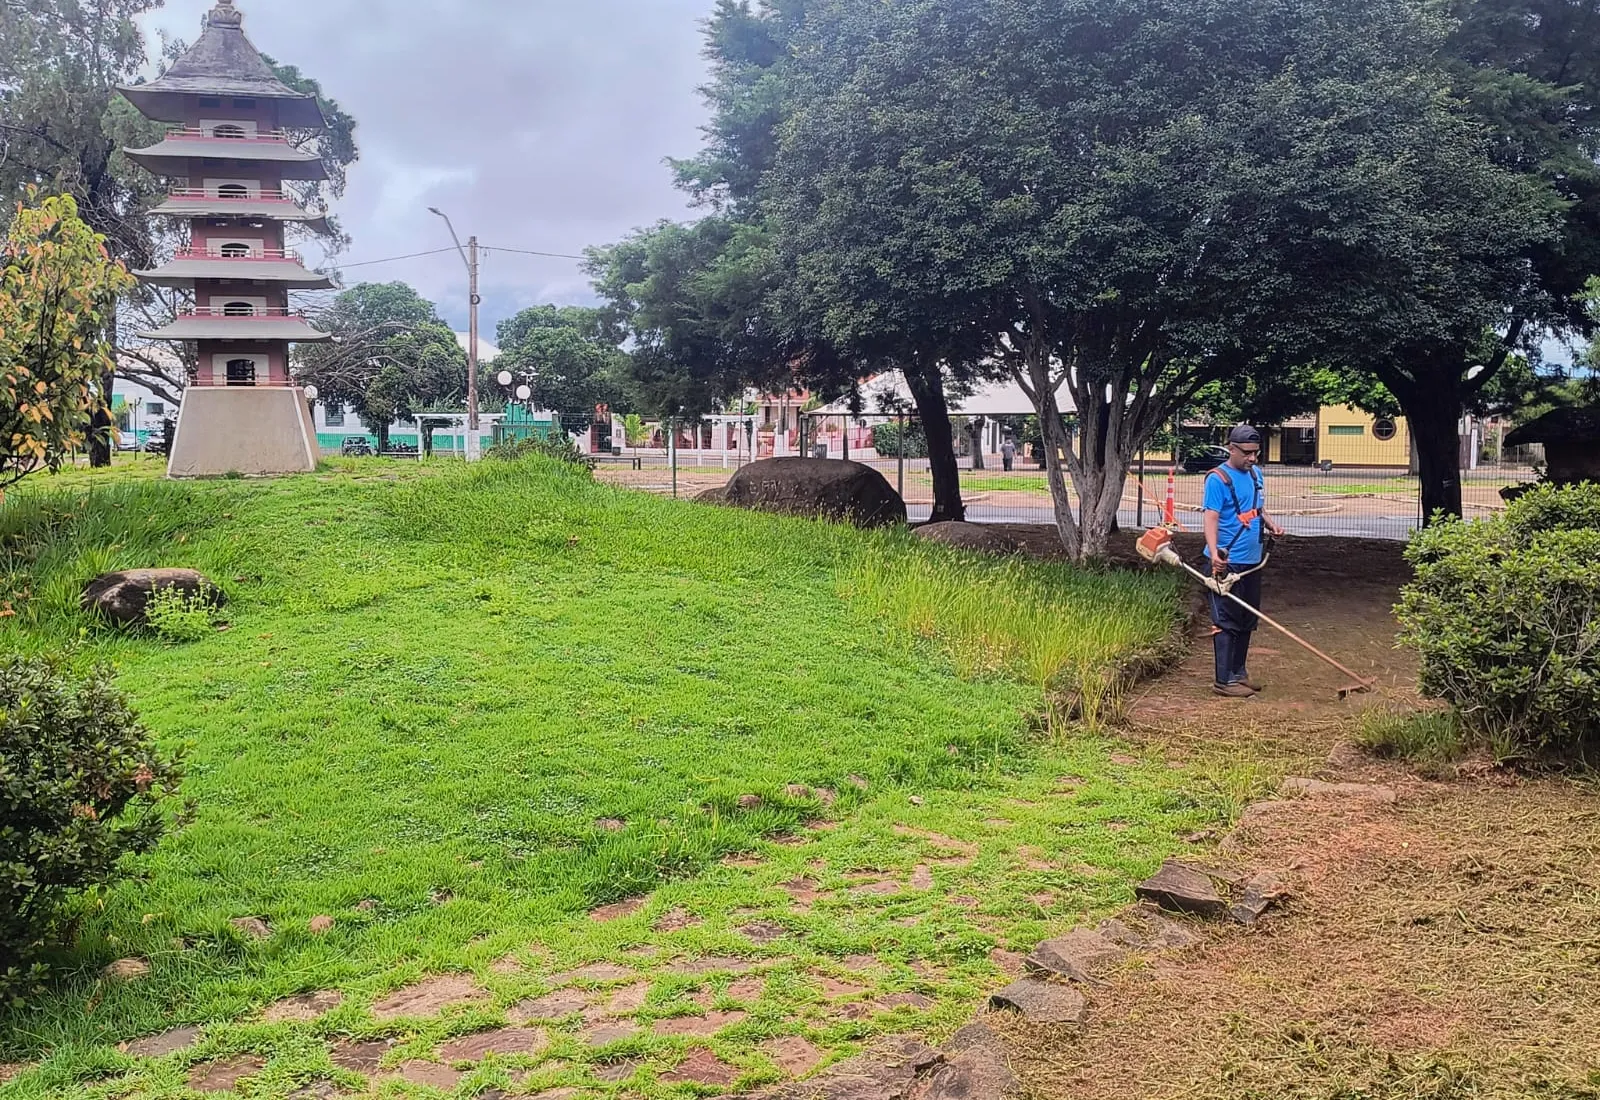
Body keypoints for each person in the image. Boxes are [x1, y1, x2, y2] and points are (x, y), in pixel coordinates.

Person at [1203, 424, 1286, 698]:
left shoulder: (1255, 474)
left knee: (1247, 618)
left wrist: (1272, 525)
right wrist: (1215, 554)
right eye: (1247, 453)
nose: (1252, 458)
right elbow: (1211, 517)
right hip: (1227, 564)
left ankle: (1238, 673)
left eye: (1256, 453)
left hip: (1253, 561)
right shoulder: (1218, 479)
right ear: (1232, 449)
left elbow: (1258, 509)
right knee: (1225, 620)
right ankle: (1223, 680)